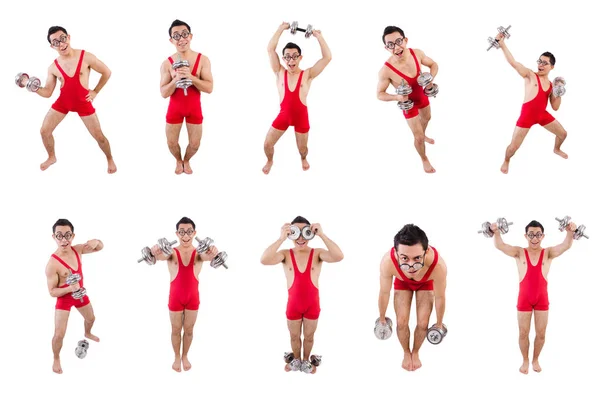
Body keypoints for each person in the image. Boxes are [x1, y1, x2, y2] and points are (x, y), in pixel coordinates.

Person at [489, 219, 579, 374]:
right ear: (526, 236)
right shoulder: (519, 252)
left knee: (541, 334)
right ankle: (525, 360)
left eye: (538, 235)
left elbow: (565, 245)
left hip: (542, 299)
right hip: (524, 299)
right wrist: (496, 231)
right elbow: (500, 246)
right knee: (523, 333)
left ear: (543, 236)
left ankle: (535, 359)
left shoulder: (548, 253)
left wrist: (570, 232)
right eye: (531, 235)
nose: (535, 238)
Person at [260, 216, 343, 373]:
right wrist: (280, 239)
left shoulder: (317, 253)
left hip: (312, 305)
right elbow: (264, 259)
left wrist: (322, 235)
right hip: (293, 306)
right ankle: (296, 360)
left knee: (309, 337)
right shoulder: (285, 254)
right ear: (289, 234)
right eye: (295, 233)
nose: (300, 238)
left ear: (310, 233)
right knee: (294, 337)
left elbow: (339, 256)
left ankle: (306, 360)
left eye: (304, 233)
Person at [31, 26, 116, 173]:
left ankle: (109, 158)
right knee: (44, 131)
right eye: (56, 42)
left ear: (68, 37)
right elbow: (47, 92)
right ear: (52, 46)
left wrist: (95, 91)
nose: (61, 44)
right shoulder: (53, 67)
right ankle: (51, 157)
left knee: (99, 137)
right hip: (63, 103)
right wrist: (32, 87)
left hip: (83, 103)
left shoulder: (86, 56)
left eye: (63, 38)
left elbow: (107, 72)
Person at [150, 217, 219, 372]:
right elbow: (158, 257)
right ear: (177, 234)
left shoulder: (199, 253)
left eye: (189, 232)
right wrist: (154, 251)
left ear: (194, 233)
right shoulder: (171, 252)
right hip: (175, 298)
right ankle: (176, 357)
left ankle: (185, 356)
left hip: (193, 299)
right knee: (175, 329)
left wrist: (214, 252)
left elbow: (210, 257)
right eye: (182, 232)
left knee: (188, 330)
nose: (186, 236)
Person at [262, 22, 332, 174]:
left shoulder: (308, 74)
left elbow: (327, 57)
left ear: (300, 58)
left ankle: (303, 158)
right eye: (287, 57)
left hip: (301, 117)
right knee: (267, 144)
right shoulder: (279, 71)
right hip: (283, 116)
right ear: (283, 58)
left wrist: (318, 36)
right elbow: (270, 49)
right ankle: (270, 160)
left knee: (303, 149)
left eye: (294, 57)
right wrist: (280, 28)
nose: (291, 61)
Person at [495, 33, 568, 173]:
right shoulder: (530, 75)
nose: (540, 64)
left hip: (542, 115)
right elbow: (513, 63)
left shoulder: (552, 85)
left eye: (544, 63)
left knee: (563, 134)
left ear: (552, 67)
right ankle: (506, 160)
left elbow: (555, 107)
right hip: (527, 117)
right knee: (513, 148)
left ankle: (556, 149)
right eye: (539, 61)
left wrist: (559, 92)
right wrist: (502, 44)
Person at [378, 224, 447, 371]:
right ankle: (405, 353)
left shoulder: (438, 266)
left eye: (417, 258)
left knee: (423, 323)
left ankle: (415, 352)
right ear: (396, 253)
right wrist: (382, 318)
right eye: (404, 258)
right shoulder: (387, 262)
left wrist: (439, 323)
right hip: (402, 282)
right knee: (401, 322)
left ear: (426, 251)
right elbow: (384, 292)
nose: (411, 265)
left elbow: (440, 297)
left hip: (426, 282)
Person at [377, 26, 439, 173]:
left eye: (399, 41)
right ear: (386, 48)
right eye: (391, 45)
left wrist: (429, 79)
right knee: (417, 137)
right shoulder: (386, 70)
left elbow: (434, 64)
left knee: (427, 118)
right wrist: (397, 97)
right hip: (408, 104)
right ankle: (424, 158)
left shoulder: (417, 53)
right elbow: (379, 94)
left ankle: (423, 135)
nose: (396, 47)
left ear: (405, 40)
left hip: (422, 95)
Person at [45, 219, 104, 374]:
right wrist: (70, 288)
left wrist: (96, 241)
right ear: (54, 237)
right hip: (64, 298)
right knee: (59, 335)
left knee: (91, 319)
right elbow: (52, 291)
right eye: (59, 236)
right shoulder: (52, 264)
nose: (64, 240)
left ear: (73, 235)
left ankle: (87, 333)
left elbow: (100, 248)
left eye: (67, 235)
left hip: (80, 294)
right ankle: (56, 358)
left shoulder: (77, 250)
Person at [160, 19, 213, 175]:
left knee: (195, 144)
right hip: (175, 109)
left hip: (194, 109)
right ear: (171, 40)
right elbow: (163, 93)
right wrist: (175, 80)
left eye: (184, 34)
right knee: (171, 143)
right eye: (176, 36)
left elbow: (209, 88)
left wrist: (191, 77)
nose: (181, 39)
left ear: (190, 36)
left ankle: (187, 160)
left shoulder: (203, 60)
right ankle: (178, 160)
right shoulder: (166, 64)